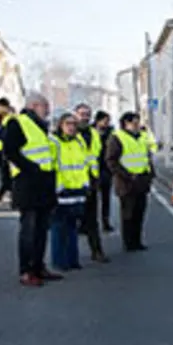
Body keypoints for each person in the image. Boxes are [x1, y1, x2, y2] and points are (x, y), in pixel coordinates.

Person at [3, 92, 64, 287]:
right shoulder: (17, 123)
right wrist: (32, 168)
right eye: (45, 107)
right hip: (27, 184)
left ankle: (39, 266)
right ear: (34, 106)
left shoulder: (42, 126)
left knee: (41, 229)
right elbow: (10, 151)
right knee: (28, 229)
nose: (47, 111)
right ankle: (26, 271)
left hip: (44, 184)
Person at [105, 112, 154, 252]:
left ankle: (137, 241)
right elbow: (111, 160)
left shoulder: (142, 136)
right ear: (126, 123)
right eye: (134, 123)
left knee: (139, 213)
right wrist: (127, 175)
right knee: (128, 214)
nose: (137, 125)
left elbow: (146, 156)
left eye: (138, 122)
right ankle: (129, 243)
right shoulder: (117, 138)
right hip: (126, 183)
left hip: (142, 181)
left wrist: (150, 175)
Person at [50, 113, 90, 271]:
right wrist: (55, 188)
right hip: (61, 191)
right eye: (68, 123)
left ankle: (73, 259)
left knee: (73, 227)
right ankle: (59, 261)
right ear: (60, 125)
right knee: (59, 227)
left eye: (74, 124)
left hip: (77, 190)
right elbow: (51, 166)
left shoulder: (79, 141)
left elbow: (83, 164)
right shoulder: (54, 142)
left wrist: (85, 185)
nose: (72, 127)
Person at [74, 103, 109, 263]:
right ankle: (68, 256)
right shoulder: (69, 133)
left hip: (91, 181)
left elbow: (98, 157)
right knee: (69, 221)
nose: (85, 117)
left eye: (87, 114)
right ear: (75, 115)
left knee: (92, 219)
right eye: (82, 114)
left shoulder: (94, 134)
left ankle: (97, 250)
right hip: (71, 183)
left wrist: (99, 177)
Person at [93, 111, 115, 232]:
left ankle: (105, 221)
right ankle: (90, 223)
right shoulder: (90, 132)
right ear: (98, 120)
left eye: (108, 121)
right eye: (105, 121)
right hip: (92, 169)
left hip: (105, 169)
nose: (107, 124)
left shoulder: (110, 133)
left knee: (106, 198)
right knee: (92, 199)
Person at [0, 98, 15, 203]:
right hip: (0, 149)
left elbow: (7, 133)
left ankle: (8, 195)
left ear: (4, 106)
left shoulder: (11, 117)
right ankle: (5, 193)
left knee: (8, 174)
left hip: (7, 149)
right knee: (4, 173)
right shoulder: (1, 118)